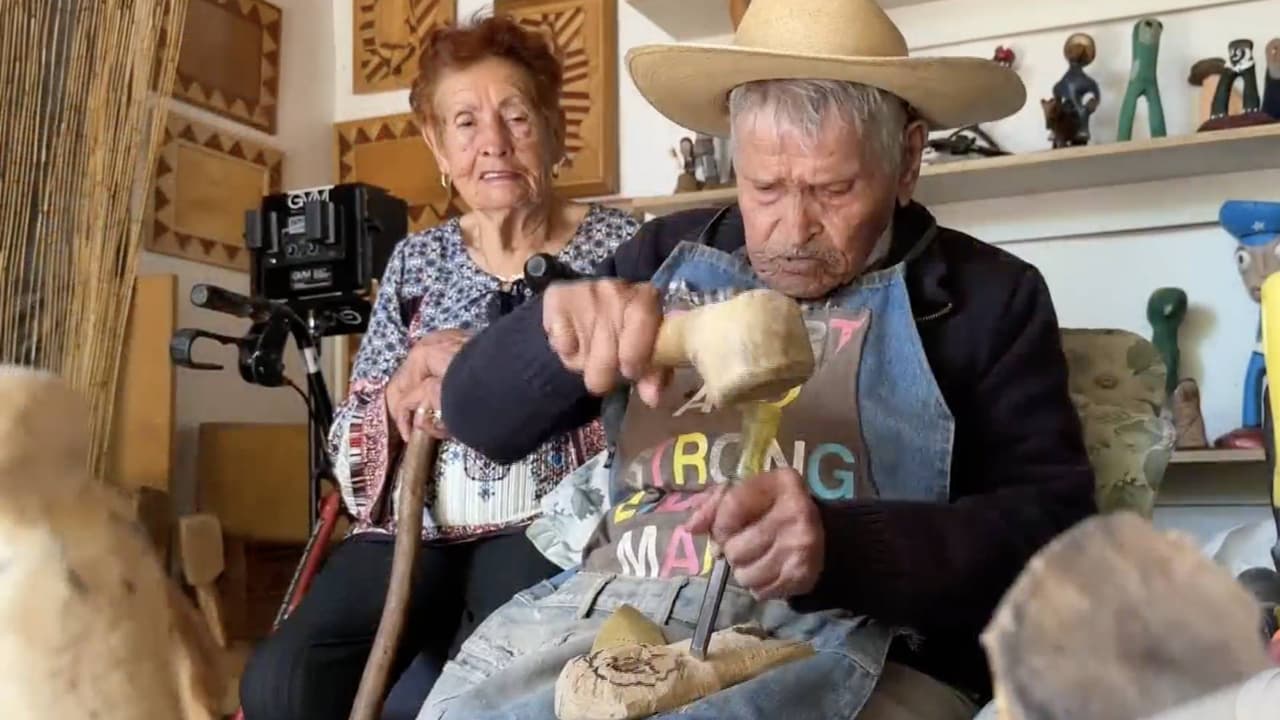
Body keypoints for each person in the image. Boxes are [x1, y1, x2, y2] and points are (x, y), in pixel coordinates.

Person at [424, 0, 1098, 718]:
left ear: (906, 158)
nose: (792, 230)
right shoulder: (662, 259)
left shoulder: (986, 298)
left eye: (834, 189)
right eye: (764, 188)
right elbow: (476, 417)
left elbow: (1054, 534)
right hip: (616, 614)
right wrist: (548, 338)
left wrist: (838, 550)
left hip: (860, 637)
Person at [238, 14, 642, 720]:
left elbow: (657, 403)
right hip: (413, 527)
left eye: (516, 116)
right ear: (438, 146)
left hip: (556, 523)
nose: (493, 142)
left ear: (552, 129)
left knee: (510, 677)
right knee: (285, 681)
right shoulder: (416, 260)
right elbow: (352, 435)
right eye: (465, 123)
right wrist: (398, 389)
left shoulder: (619, 242)